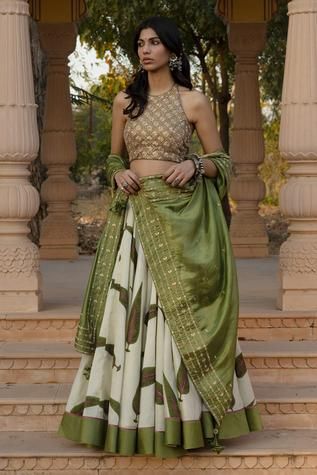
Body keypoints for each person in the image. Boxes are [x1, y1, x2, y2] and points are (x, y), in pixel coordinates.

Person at [58, 16, 262, 458]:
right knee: (128, 319)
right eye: (140, 44)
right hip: (133, 222)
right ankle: (123, 420)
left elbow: (221, 162)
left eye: (154, 43)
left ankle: (186, 419)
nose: (145, 50)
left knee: (175, 314)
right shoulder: (124, 103)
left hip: (178, 220)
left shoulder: (194, 102)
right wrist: (120, 174)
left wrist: (195, 166)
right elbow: (113, 161)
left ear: (171, 49)